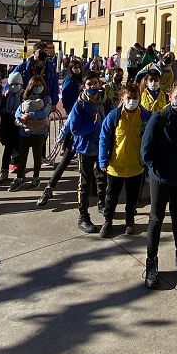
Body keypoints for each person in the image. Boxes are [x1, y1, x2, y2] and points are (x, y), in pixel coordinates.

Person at [141, 80, 177, 289]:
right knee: (156, 218)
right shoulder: (159, 118)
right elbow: (146, 150)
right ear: (169, 96)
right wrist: (156, 171)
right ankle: (151, 263)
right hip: (161, 178)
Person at [98, 84, 151, 237]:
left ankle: (130, 221)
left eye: (135, 98)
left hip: (136, 166)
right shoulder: (114, 116)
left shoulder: (145, 116)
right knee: (111, 197)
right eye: (129, 98)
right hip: (116, 166)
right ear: (122, 99)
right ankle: (108, 221)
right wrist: (103, 161)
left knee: (132, 198)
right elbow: (104, 138)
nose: (132, 101)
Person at [69, 72, 109, 233]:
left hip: (101, 147)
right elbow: (75, 129)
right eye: (89, 84)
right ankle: (83, 215)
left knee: (102, 177)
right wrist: (93, 125)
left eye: (95, 83)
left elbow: (110, 120)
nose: (92, 87)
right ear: (83, 87)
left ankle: (102, 203)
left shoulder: (105, 101)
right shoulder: (79, 105)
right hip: (84, 148)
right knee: (84, 182)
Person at [10, 75, 52, 191]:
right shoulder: (25, 98)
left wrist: (29, 115)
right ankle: (19, 177)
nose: (38, 88)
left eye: (40, 86)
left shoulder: (46, 99)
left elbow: (44, 113)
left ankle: (36, 177)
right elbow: (18, 113)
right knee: (22, 154)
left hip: (39, 132)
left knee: (37, 155)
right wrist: (24, 117)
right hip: (25, 131)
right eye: (35, 86)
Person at [0, 71, 24, 185]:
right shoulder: (6, 96)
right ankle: (4, 171)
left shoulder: (24, 95)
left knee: (20, 150)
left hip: (19, 126)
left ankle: (20, 173)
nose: (14, 86)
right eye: (11, 84)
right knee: (7, 150)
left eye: (16, 84)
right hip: (7, 125)